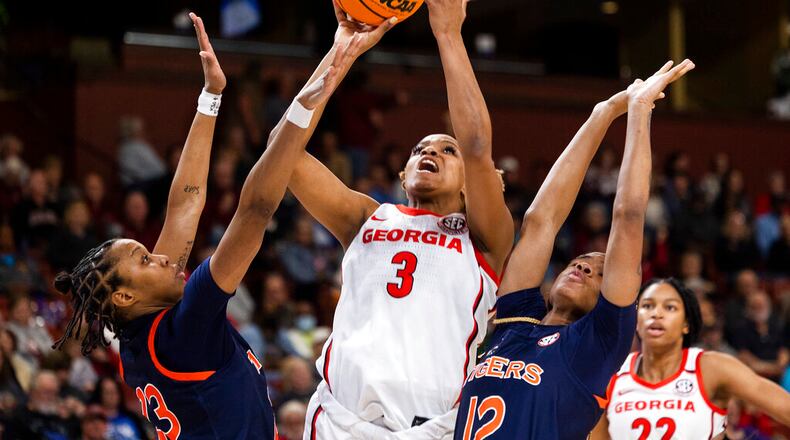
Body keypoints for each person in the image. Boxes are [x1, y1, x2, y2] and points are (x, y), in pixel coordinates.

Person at [51, 13, 358, 439]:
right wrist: (304, 111)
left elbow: (184, 205)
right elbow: (254, 211)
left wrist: (211, 96)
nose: (161, 256)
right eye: (144, 259)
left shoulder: (148, 331)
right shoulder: (184, 328)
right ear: (124, 294)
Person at [290, 1, 514, 437]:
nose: (430, 152)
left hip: (432, 426)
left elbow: (477, 145)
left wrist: (448, 34)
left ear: (472, 184)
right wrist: (341, 56)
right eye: (419, 150)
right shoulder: (365, 218)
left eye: (447, 151)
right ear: (401, 174)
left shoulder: (487, 237)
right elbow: (287, 156)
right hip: (341, 419)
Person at [455, 60, 696, 439]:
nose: (584, 268)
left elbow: (628, 215)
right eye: (581, 261)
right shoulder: (514, 323)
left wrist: (639, 111)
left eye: (600, 272)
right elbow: (540, 221)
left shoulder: (597, 344)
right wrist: (602, 114)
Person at [591, 278, 790, 439]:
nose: (657, 314)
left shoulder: (712, 368)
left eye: (670, 308)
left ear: (686, 323)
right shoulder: (613, 373)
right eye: (647, 306)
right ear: (636, 321)